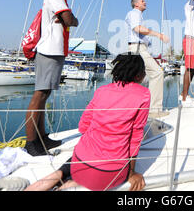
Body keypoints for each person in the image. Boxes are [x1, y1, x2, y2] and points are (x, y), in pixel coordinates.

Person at [25, 53, 148, 191]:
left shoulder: (101, 90)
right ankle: (68, 185)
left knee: (62, 171)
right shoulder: (143, 94)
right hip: (109, 172)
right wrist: (132, 173)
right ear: (138, 75)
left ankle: (54, 179)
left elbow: (83, 127)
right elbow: (135, 137)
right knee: (88, 177)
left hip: (80, 160)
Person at [24, 0, 79, 156]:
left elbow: (68, 20)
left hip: (55, 51)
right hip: (49, 50)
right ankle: (31, 143)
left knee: (44, 94)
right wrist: (70, 19)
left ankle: (41, 138)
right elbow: (70, 19)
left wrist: (68, 20)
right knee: (40, 94)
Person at [125, 0, 169, 118]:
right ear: (136, 4)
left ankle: (132, 109)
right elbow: (137, 28)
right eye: (142, 0)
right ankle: (154, 110)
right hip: (137, 48)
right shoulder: (134, 13)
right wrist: (158, 35)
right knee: (157, 73)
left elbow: (138, 31)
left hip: (138, 48)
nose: (145, 2)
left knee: (136, 79)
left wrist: (148, 41)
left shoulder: (136, 15)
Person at [181, 0, 194, 102]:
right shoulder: (189, 7)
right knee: (188, 68)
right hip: (189, 39)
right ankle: (184, 97)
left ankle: (184, 93)